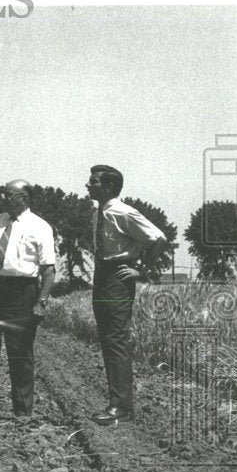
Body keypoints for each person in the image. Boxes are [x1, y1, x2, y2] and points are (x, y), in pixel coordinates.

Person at [85, 164, 168, 425]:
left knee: (116, 340)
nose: (88, 186)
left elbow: (158, 238)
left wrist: (140, 270)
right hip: (102, 276)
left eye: (94, 182)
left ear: (109, 187)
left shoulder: (122, 211)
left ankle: (121, 407)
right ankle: (117, 403)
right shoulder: (100, 212)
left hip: (117, 278)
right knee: (108, 340)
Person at [0, 180, 56, 419]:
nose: (3, 198)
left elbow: (49, 269)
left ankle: (23, 414)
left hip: (22, 292)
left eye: (9, 195)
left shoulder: (40, 227)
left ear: (24, 197)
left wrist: (41, 301)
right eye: (3, 194)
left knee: (20, 354)